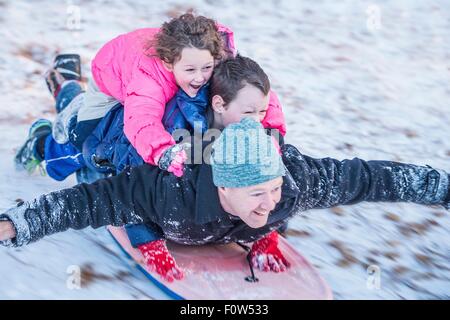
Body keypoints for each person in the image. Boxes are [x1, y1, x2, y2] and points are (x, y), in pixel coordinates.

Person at [1, 118, 449, 282]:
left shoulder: (296, 183)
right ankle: (55, 106)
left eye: (273, 189)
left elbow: (372, 179)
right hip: (113, 144)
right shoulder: (165, 189)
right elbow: (80, 205)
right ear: (223, 186)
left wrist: (443, 188)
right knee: (75, 138)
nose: (271, 203)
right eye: (257, 193)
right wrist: (14, 225)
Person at [14, 13, 286, 180]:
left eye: (207, 68)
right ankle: (41, 139)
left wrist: (272, 133)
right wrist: (162, 152)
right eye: (190, 70)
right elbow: (141, 121)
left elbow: (253, 87)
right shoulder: (150, 78)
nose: (201, 77)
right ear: (169, 64)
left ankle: (66, 83)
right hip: (112, 79)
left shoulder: (214, 56)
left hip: (151, 78)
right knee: (82, 140)